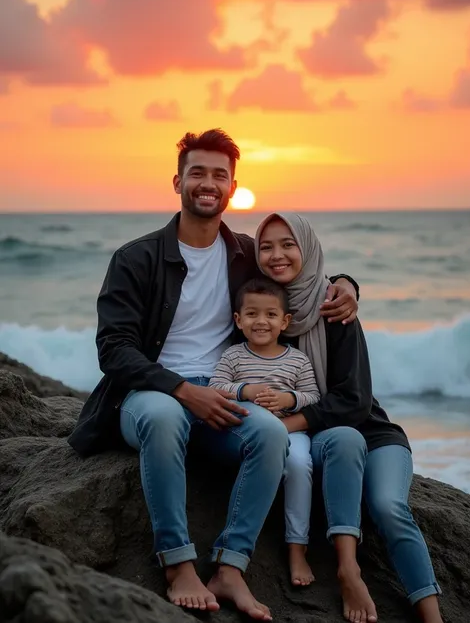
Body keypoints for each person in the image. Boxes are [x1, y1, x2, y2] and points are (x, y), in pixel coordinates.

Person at [67, 129, 360, 620]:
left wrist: (348, 285)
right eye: (197, 172)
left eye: (219, 175)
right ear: (177, 181)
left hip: (222, 392)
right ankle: (178, 563)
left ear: (232, 185)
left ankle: (230, 566)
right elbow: (113, 350)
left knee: (269, 433)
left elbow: (297, 272)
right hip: (151, 391)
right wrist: (183, 391)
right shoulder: (136, 258)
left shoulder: (244, 254)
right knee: (164, 418)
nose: (208, 183)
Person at [255, 212, 444, 623]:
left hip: (374, 434)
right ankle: (347, 568)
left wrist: (285, 425)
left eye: (289, 244)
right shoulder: (260, 312)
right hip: (326, 441)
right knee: (342, 438)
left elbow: (356, 400)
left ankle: (433, 616)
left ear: (308, 248)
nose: (277, 255)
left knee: (389, 506)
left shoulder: (335, 306)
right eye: (266, 246)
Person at [210, 276, 320, 587]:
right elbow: (215, 386)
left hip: (291, 430)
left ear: (285, 321)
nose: (261, 321)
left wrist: (290, 398)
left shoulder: (297, 360)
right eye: (252, 314)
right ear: (238, 320)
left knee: (299, 464)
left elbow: (313, 395)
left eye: (271, 315)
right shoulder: (233, 355)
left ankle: (297, 548)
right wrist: (244, 390)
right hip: (250, 431)